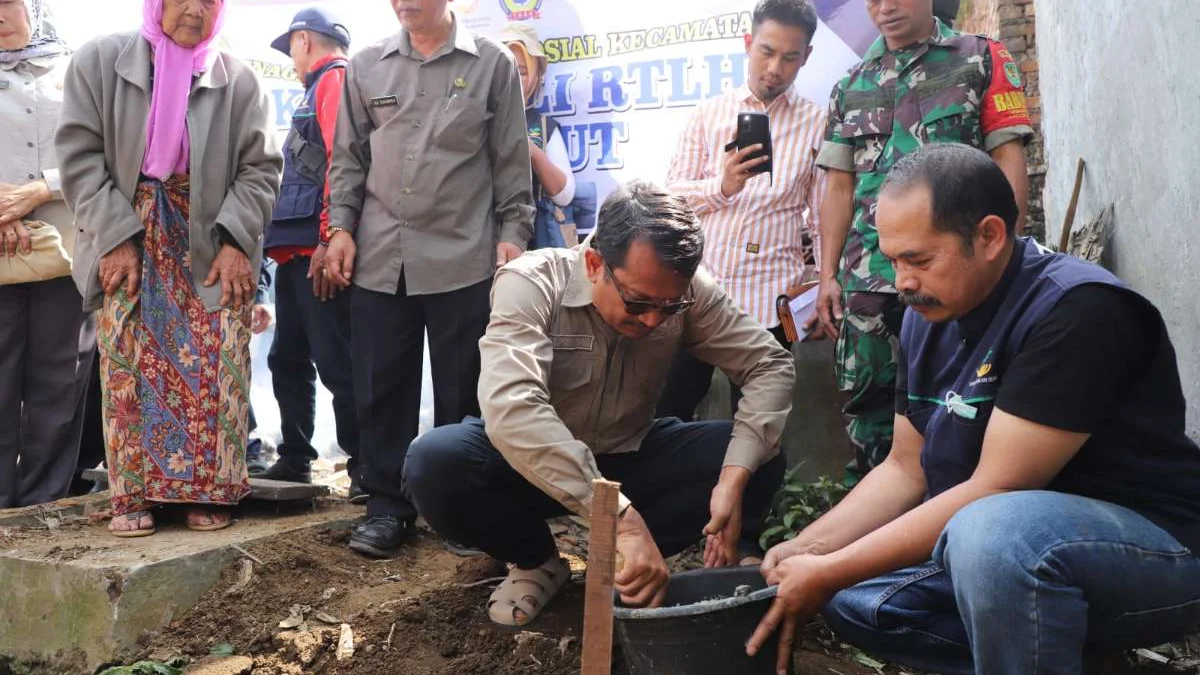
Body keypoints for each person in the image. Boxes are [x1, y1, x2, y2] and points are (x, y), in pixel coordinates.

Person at [746, 144, 1200, 675]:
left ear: (989, 236)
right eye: (893, 261)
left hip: (1159, 551)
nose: (902, 282)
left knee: (995, 536)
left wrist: (828, 569)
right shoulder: (927, 312)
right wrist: (810, 549)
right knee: (858, 602)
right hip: (1023, 554)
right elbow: (903, 468)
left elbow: (995, 488)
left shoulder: (1076, 310)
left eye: (918, 259)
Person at [406, 180, 795, 627]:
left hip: (627, 456)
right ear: (594, 262)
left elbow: (769, 364)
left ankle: (638, 565)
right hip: (525, 465)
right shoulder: (531, 283)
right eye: (638, 302)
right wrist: (620, 520)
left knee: (755, 454)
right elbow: (513, 409)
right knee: (436, 462)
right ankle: (535, 560)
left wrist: (732, 479)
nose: (653, 320)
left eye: (669, 308)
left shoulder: (688, 293)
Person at [56, 0, 281, 536]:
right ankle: (133, 494)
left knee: (216, 359)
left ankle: (208, 491)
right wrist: (115, 237)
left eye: (210, 1)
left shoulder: (239, 81)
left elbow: (260, 169)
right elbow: (79, 157)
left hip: (211, 238)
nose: (194, 9)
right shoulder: (100, 62)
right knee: (128, 359)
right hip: (126, 235)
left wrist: (234, 243)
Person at [324, 0, 534, 557]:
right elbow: (347, 158)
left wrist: (513, 232)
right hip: (379, 256)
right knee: (380, 387)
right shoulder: (366, 65)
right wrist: (340, 228)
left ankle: (461, 513)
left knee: (463, 391)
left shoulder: (492, 65)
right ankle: (387, 509)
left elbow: (511, 160)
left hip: (463, 255)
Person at [811, 0, 1035, 483]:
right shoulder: (851, 85)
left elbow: (1007, 160)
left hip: (957, 276)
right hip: (869, 281)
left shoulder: (981, 57)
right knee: (870, 411)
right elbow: (838, 188)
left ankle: (954, 519)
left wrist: (1004, 257)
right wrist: (828, 274)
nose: (885, 8)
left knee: (966, 403)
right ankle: (873, 534)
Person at [658, 0, 826, 420]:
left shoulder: (818, 123)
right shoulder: (710, 114)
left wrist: (825, 281)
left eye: (790, 57)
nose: (775, 68)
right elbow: (671, 198)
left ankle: (747, 487)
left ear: (806, 57)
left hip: (772, 299)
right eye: (766, 52)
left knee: (757, 424)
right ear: (748, 44)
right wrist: (723, 185)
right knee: (669, 410)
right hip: (699, 293)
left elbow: (823, 216)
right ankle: (668, 485)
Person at [257, 7, 363, 501]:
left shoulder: (334, 81)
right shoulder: (318, 85)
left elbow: (343, 162)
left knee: (337, 361)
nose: (293, 60)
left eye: (292, 50)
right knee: (288, 357)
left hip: (318, 253)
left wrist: (328, 237)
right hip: (294, 256)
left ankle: (366, 470)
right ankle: (296, 458)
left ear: (303, 41)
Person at [0, 0, 97, 508]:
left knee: (60, 377)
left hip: (67, 243)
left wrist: (40, 189)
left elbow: (104, 150)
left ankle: (42, 500)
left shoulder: (76, 68)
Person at [499, 23, 576, 250]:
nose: (513, 78)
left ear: (536, 75)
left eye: (522, 71)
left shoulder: (542, 126)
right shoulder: (476, 120)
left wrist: (532, 152)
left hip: (534, 248)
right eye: (505, 69)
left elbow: (564, 196)